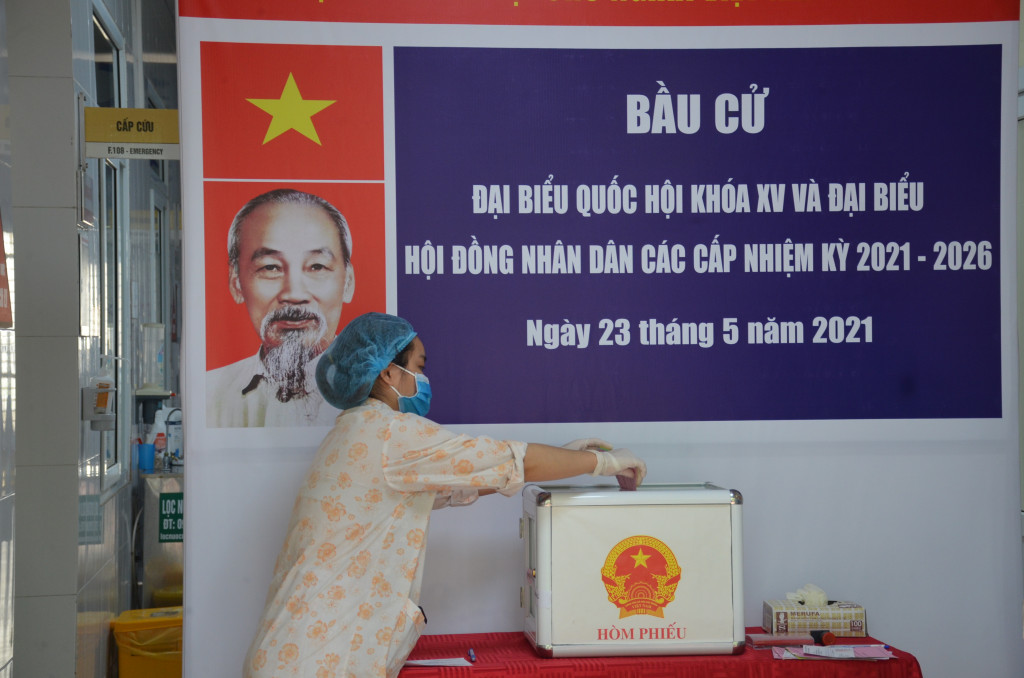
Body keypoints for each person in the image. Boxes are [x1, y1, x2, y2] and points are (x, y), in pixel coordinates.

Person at [243, 312, 646, 678]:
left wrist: (566, 457)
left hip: (297, 654)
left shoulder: (353, 432)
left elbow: (463, 483)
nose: (424, 378)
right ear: (389, 373)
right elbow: (509, 460)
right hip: (317, 661)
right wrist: (602, 462)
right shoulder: (390, 434)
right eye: (419, 367)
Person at [207, 188, 355, 427]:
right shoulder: (209, 395)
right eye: (270, 267)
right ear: (236, 284)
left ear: (347, 282)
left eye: (317, 266)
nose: (294, 294)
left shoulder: (373, 395)